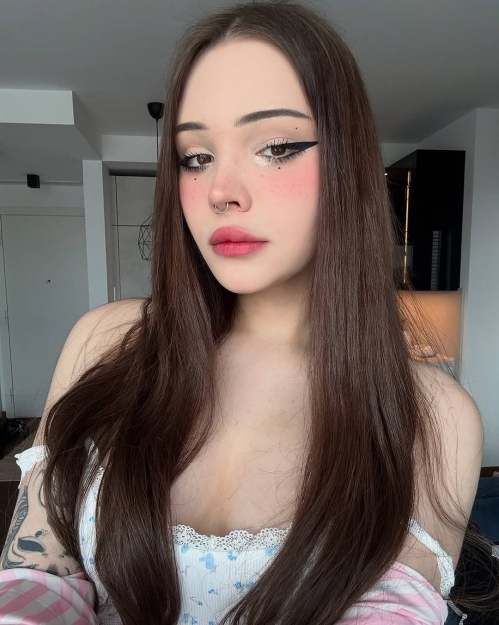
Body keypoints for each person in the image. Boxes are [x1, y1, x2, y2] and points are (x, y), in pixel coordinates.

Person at [1, 2, 496, 624]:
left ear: (348, 166)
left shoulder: (432, 415)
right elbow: (37, 575)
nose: (220, 191)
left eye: (276, 147)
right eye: (195, 156)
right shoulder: (106, 341)